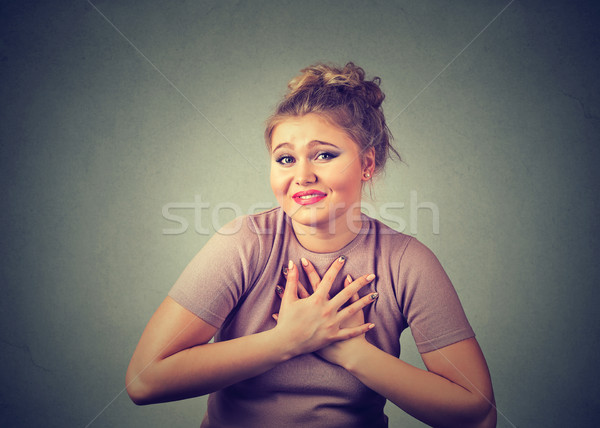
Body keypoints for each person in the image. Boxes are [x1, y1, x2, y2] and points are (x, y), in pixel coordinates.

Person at [126, 62, 496, 427]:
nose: (302, 176)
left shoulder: (406, 262)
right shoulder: (244, 243)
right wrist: (286, 341)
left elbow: (478, 416)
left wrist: (354, 354)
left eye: (324, 155)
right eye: (286, 158)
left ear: (367, 164)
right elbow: (144, 381)